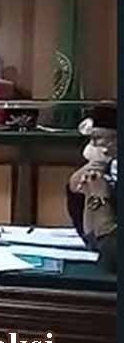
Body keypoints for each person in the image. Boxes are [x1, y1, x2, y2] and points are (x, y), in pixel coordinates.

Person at [66, 106, 117, 272]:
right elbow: (91, 239)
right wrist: (88, 192)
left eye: (98, 138)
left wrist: (100, 197)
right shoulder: (105, 170)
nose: (93, 146)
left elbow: (112, 254)